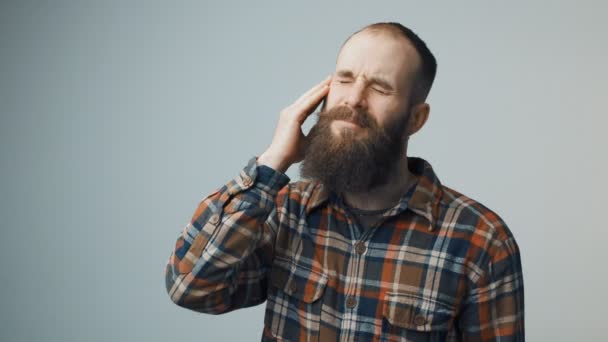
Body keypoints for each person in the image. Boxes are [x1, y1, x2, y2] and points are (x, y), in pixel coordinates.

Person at [165, 22, 525, 341]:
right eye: (345, 78)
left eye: (381, 88)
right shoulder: (284, 209)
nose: (354, 99)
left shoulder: (481, 241)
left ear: (416, 118)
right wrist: (273, 162)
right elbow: (191, 287)